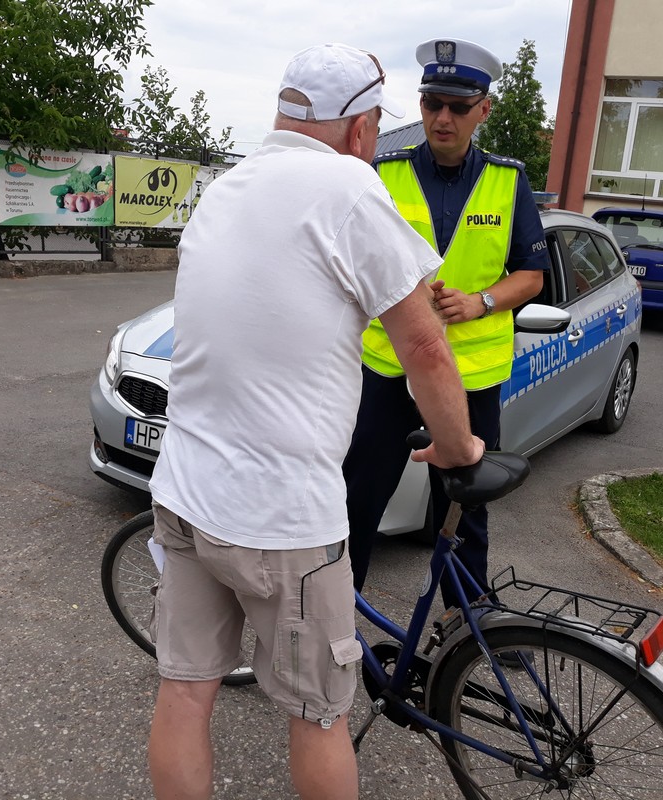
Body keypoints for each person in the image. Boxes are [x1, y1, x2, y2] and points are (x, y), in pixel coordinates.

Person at [145, 43, 484, 800]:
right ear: (361, 128)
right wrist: (458, 446)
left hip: (185, 495)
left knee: (185, 691)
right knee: (320, 714)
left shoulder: (225, 188)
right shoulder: (348, 188)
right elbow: (424, 343)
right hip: (283, 515)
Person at [344, 38, 550, 605]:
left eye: (459, 107)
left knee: (463, 509)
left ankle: (467, 622)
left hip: (468, 379)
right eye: (432, 103)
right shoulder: (382, 174)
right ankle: (329, 619)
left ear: (484, 110)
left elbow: (532, 275)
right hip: (389, 370)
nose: (442, 117)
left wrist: (482, 301)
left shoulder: (507, 181)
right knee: (358, 498)